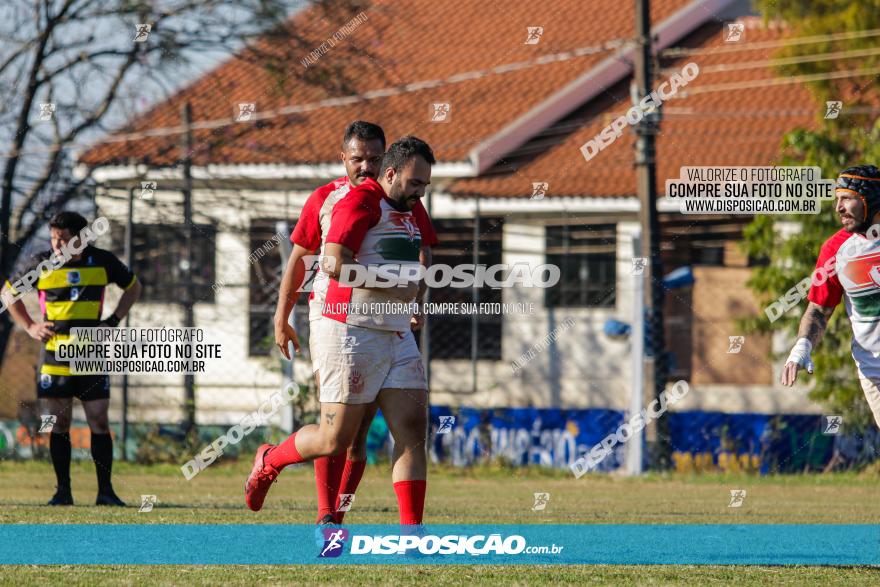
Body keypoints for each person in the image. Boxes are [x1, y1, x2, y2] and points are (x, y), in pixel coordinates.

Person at [270, 124, 436, 524]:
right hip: (342, 323)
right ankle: (285, 472)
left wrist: (416, 296)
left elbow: (421, 255)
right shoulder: (333, 199)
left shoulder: (409, 202)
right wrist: (282, 314)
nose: (366, 165)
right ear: (343, 156)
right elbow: (311, 261)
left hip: (392, 328)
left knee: (397, 431)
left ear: (386, 162)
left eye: (375, 158)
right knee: (338, 438)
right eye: (358, 158)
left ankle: (388, 533)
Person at [2, 211, 141, 505]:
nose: (56, 244)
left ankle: (106, 492)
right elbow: (8, 294)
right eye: (53, 238)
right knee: (59, 422)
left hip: (90, 353)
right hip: (54, 355)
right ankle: (62, 491)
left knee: (99, 420)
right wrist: (30, 326)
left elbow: (134, 287)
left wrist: (113, 320)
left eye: (62, 239)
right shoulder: (40, 264)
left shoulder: (103, 261)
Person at [782, 165, 880, 428]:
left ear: (870, 199)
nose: (838, 207)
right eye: (837, 199)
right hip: (874, 371)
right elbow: (818, 310)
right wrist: (802, 347)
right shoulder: (836, 249)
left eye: (846, 198)